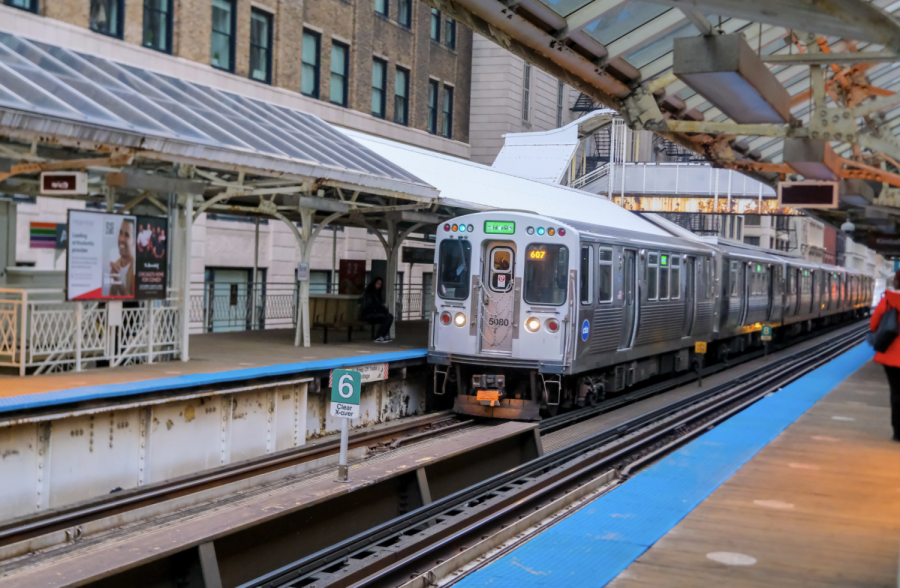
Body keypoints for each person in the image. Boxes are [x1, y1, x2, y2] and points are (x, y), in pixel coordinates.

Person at [871, 269, 900, 441]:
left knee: (896, 392)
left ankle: (898, 431)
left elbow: (874, 325)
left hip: (890, 356)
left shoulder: (888, 300)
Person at [359, 277, 394, 343]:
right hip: (367, 315)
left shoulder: (376, 293)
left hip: (372, 313)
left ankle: (383, 335)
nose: (379, 286)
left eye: (380, 284)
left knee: (389, 316)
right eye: (378, 284)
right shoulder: (370, 293)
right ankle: (379, 336)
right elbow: (370, 306)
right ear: (374, 283)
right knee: (387, 317)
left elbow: (378, 304)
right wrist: (381, 309)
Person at [108, 219, 135, 297]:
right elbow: (112, 296)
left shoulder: (136, 267)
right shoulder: (117, 263)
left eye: (127, 235)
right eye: (120, 233)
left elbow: (132, 303)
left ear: (134, 241)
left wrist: (117, 280)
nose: (121, 239)